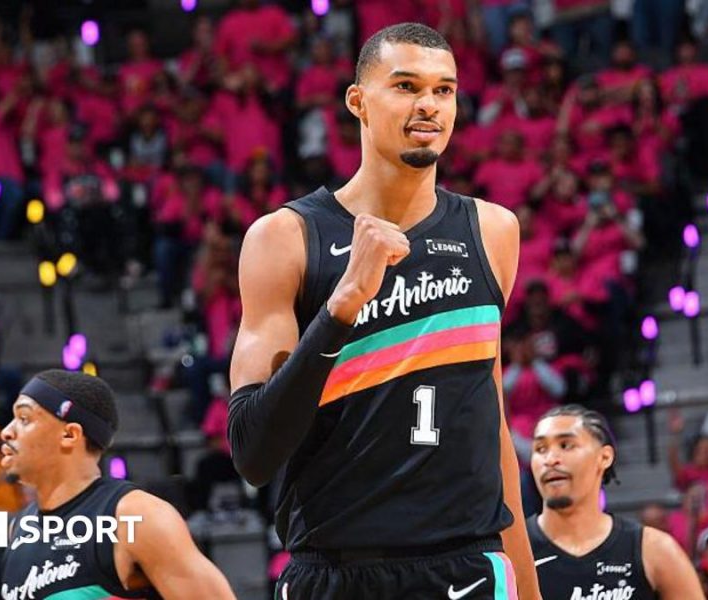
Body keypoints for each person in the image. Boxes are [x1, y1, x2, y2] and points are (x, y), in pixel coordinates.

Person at [228, 22, 539, 600]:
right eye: (405, 85)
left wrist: (529, 585)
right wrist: (342, 304)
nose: (428, 105)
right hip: (337, 569)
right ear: (357, 101)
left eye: (444, 90)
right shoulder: (286, 238)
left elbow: (488, 419)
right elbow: (253, 451)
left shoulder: (494, 230)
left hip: (468, 566)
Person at [0, 370, 235, 599]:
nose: (6, 432)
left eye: (24, 419)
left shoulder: (134, 517)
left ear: (70, 435)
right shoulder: (20, 528)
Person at [527, 404, 704, 599]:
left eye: (566, 445)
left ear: (604, 457)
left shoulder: (655, 550)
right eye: (540, 448)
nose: (550, 459)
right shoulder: (510, 551)